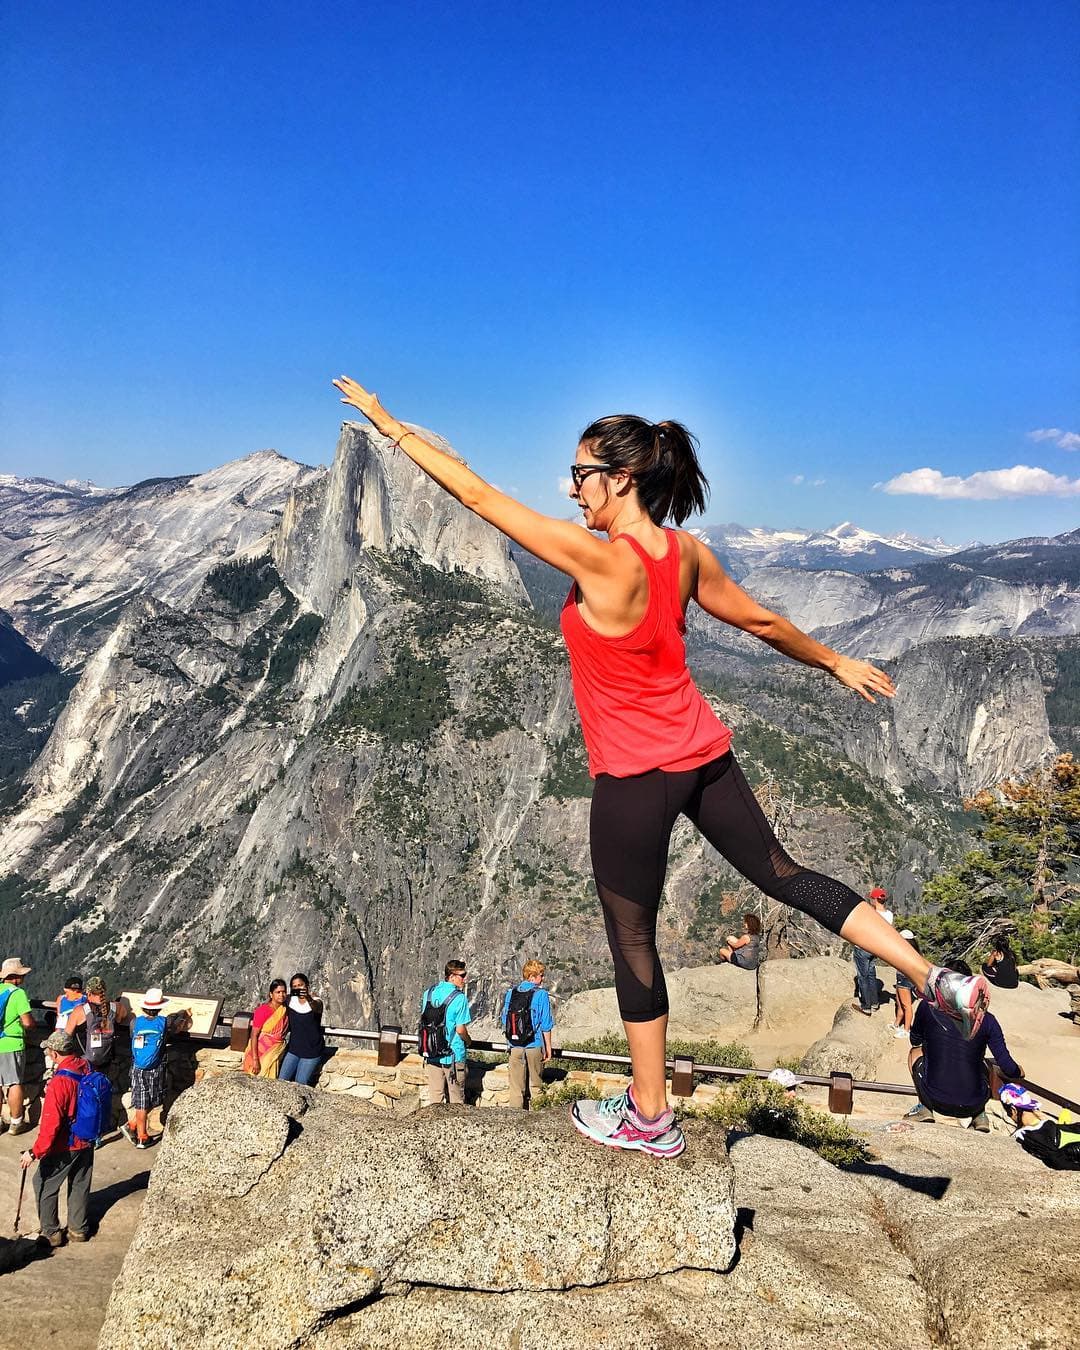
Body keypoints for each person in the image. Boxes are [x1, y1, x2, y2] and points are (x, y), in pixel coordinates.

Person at [332, 376, 991, 1160]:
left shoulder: (597, 559)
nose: (569, 489)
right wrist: (832, 660)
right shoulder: (683, 554)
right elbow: (760, 620)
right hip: (705, 758)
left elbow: (476, 495)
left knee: (632, 941)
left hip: (634, 782)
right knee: (786, 872)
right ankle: (932, 976)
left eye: (580, 475)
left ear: (621, 479)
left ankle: (650, 1113)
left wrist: (386, 424)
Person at [904, 963, 1023, 1133]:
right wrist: (1018, 1071)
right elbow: (1006, 1065)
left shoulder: (927, 1007)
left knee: (914, 1053)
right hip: (973, 1103)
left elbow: (914, 1040)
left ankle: (924, 1107)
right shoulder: (988, 1020)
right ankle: (980, 1116)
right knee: (986, 1064)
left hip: (935, 1100)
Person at [18, 1030, 95, 1246]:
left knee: (43, 1182)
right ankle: (78, 1230)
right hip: (87, 1139)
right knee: (80, 1183)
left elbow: (51, 1124)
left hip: (65, 1144)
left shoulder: (59, 1083)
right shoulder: (86, 1067)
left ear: (54, 1053)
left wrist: (34, 1152)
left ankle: (51, 1233)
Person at [122, 987, 191, 1148]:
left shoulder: (135, 1022)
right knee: (152, 1099)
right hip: (155, 1067)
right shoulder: (164, 1023)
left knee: (141, 1100)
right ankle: (142, 1137)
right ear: (159, 1007)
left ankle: (132, 1126)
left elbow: (133, 1036)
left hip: (138, 1066)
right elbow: (176, 1028)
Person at [65, 976, 128, 1144]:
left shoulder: (81, 1011)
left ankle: (85, 1132)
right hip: (106, 1060)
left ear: (88, 992)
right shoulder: (116, 1007)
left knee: (85, 1097)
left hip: (86, 1061)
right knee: (102, 1096)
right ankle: (99, 1132)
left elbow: (67, 1035)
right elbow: (123, 1016)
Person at [501, 959, 554, 1109]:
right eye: (540, 975)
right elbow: (546, 1024)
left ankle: (515, 1122)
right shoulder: (541, 994)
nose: (542, 978)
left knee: (516, 1089)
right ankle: (537, 1121)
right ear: (532, 976)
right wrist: (548, 1048)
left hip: (515, 1046)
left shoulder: (511, 993)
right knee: (536, 1086)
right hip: (534, 1045)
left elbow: (504, 1018)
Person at [419, 960, 472, 1106]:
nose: (465, 979)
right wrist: (468, 1041)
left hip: (431, 1051)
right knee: (457, 1100)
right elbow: (460, 1029)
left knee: (435, 1099)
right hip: (453, 1054)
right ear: (452, 976)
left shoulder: (428, 993)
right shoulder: (459, 998)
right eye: (462, 975)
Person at [1, 955, 36, 1137]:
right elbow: (28, 1022)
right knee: (14, 1083)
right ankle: (16, 1123)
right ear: (16, 976)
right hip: (11, 1042)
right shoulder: (18, 994)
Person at [851, 887, 894, 1016]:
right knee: (871, 974)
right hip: (876, 948)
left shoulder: (871, 913)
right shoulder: (889, 915)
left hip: (863, 947)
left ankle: (866, 1006)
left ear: (875, 899)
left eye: (872, 899)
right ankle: (875, 1003)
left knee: (862, 976)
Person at [278, 973, 325, 1085]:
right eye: (295, 986)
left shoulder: (315, 1001)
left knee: (300, 1083)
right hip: (294, 1049)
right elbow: (276, 999)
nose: (298, 988)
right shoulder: (290, 1000)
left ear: (307, 985)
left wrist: (308, 997)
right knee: (281, 1081)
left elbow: (317, 1008)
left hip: (312, 1050)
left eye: (300, 985)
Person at [244, 979, 289, 1078]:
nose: (281, 995)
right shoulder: (263, 1010)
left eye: (284, 992)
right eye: (278, 992)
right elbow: (254, 1035)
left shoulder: (284, 1009)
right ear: (271, 994)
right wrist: (255, 1060)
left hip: (275, 1051)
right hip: (261, 1051)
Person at [893, 931, 920, 1037]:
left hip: (904, 978)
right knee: (899, 1002)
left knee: (906, 1005)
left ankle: (906, 1030)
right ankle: (897, 1023)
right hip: (902, 977)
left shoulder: (908, 952)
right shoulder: (912, 951)